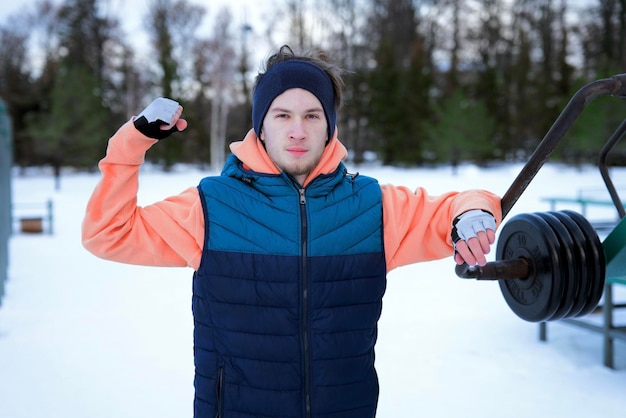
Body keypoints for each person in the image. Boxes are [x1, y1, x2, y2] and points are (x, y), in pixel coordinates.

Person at [82, 44, 501, 418]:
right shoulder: (212, 207)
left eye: (311, 115)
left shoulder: (372, 207)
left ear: (329, 126)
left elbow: (457, 206)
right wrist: (129, 147)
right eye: (282, 115)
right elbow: (108, 233)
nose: (297, 130)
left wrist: (475, 211)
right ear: (261, 126)